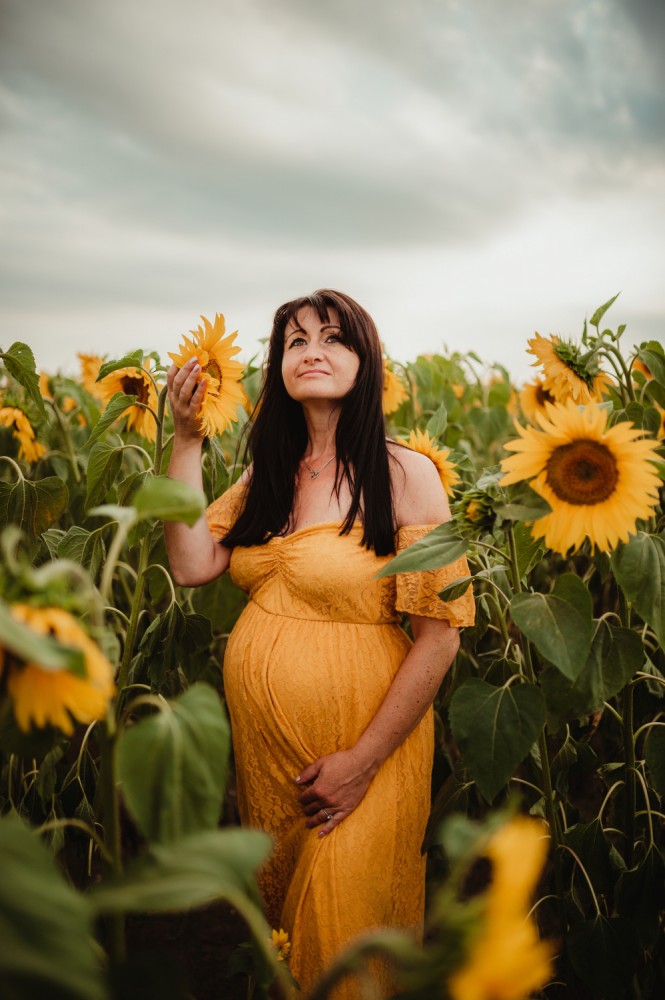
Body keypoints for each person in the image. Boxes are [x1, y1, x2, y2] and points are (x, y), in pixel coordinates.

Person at [164, 290, 475, 999]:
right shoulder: (266, 474)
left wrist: (362, 764)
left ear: (365, 364)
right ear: (279, 368)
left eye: (334, 339)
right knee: (291, 944)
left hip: (368, 750)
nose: (311, 350)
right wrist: (186, 440)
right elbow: (190, 564)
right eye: (296, 340)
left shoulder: (405, 475)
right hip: (271, 761)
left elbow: (437, 638)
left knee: (344, 947)